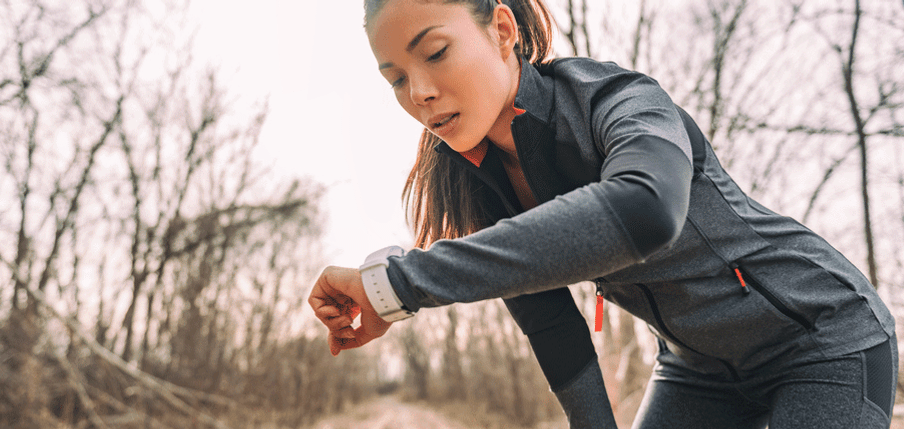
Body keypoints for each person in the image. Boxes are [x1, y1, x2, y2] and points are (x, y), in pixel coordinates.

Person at [308, 0, 899, 427]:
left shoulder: (616, 100)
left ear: (502, 31)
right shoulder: (479, 182)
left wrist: (399, 284)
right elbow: (551, 325)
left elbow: (645, 212)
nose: (419, 92)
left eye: (435, 53)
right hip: (697, 369)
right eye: (396, 79)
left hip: (820, 337)